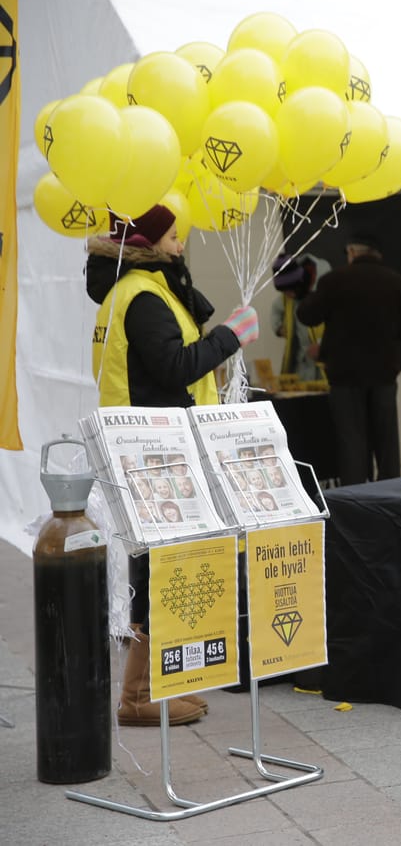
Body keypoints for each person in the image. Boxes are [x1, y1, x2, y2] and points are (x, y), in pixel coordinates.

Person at [86, 202, 260, 727]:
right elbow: (174, 368)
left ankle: (153, 686)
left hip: (147, 445)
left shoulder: (136, 290)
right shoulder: (142, 297)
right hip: (155, 449)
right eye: (175, 237)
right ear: (149, 243)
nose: (181, 245)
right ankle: (138, 695)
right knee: (158, 568)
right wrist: (231, 336)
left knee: (162, 566)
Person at [296, 233, 401, 486]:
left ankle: (356, 502)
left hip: (344, 375)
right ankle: (392, 498)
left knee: (352, 443)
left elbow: (306, 315)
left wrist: (324, 348)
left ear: (352, 253)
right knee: (387, 442)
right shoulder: (397, 282)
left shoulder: (334, 281)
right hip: (383, 374)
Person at [271, 252, 329, 382]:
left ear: (299, 284)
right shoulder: (289, 296)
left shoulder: (326, 289)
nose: (288, 296)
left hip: (326, 366)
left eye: (289, 291)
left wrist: (322, 345)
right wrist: (279, 328)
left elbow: (341, 323)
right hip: (300, 367)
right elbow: (276, 309)